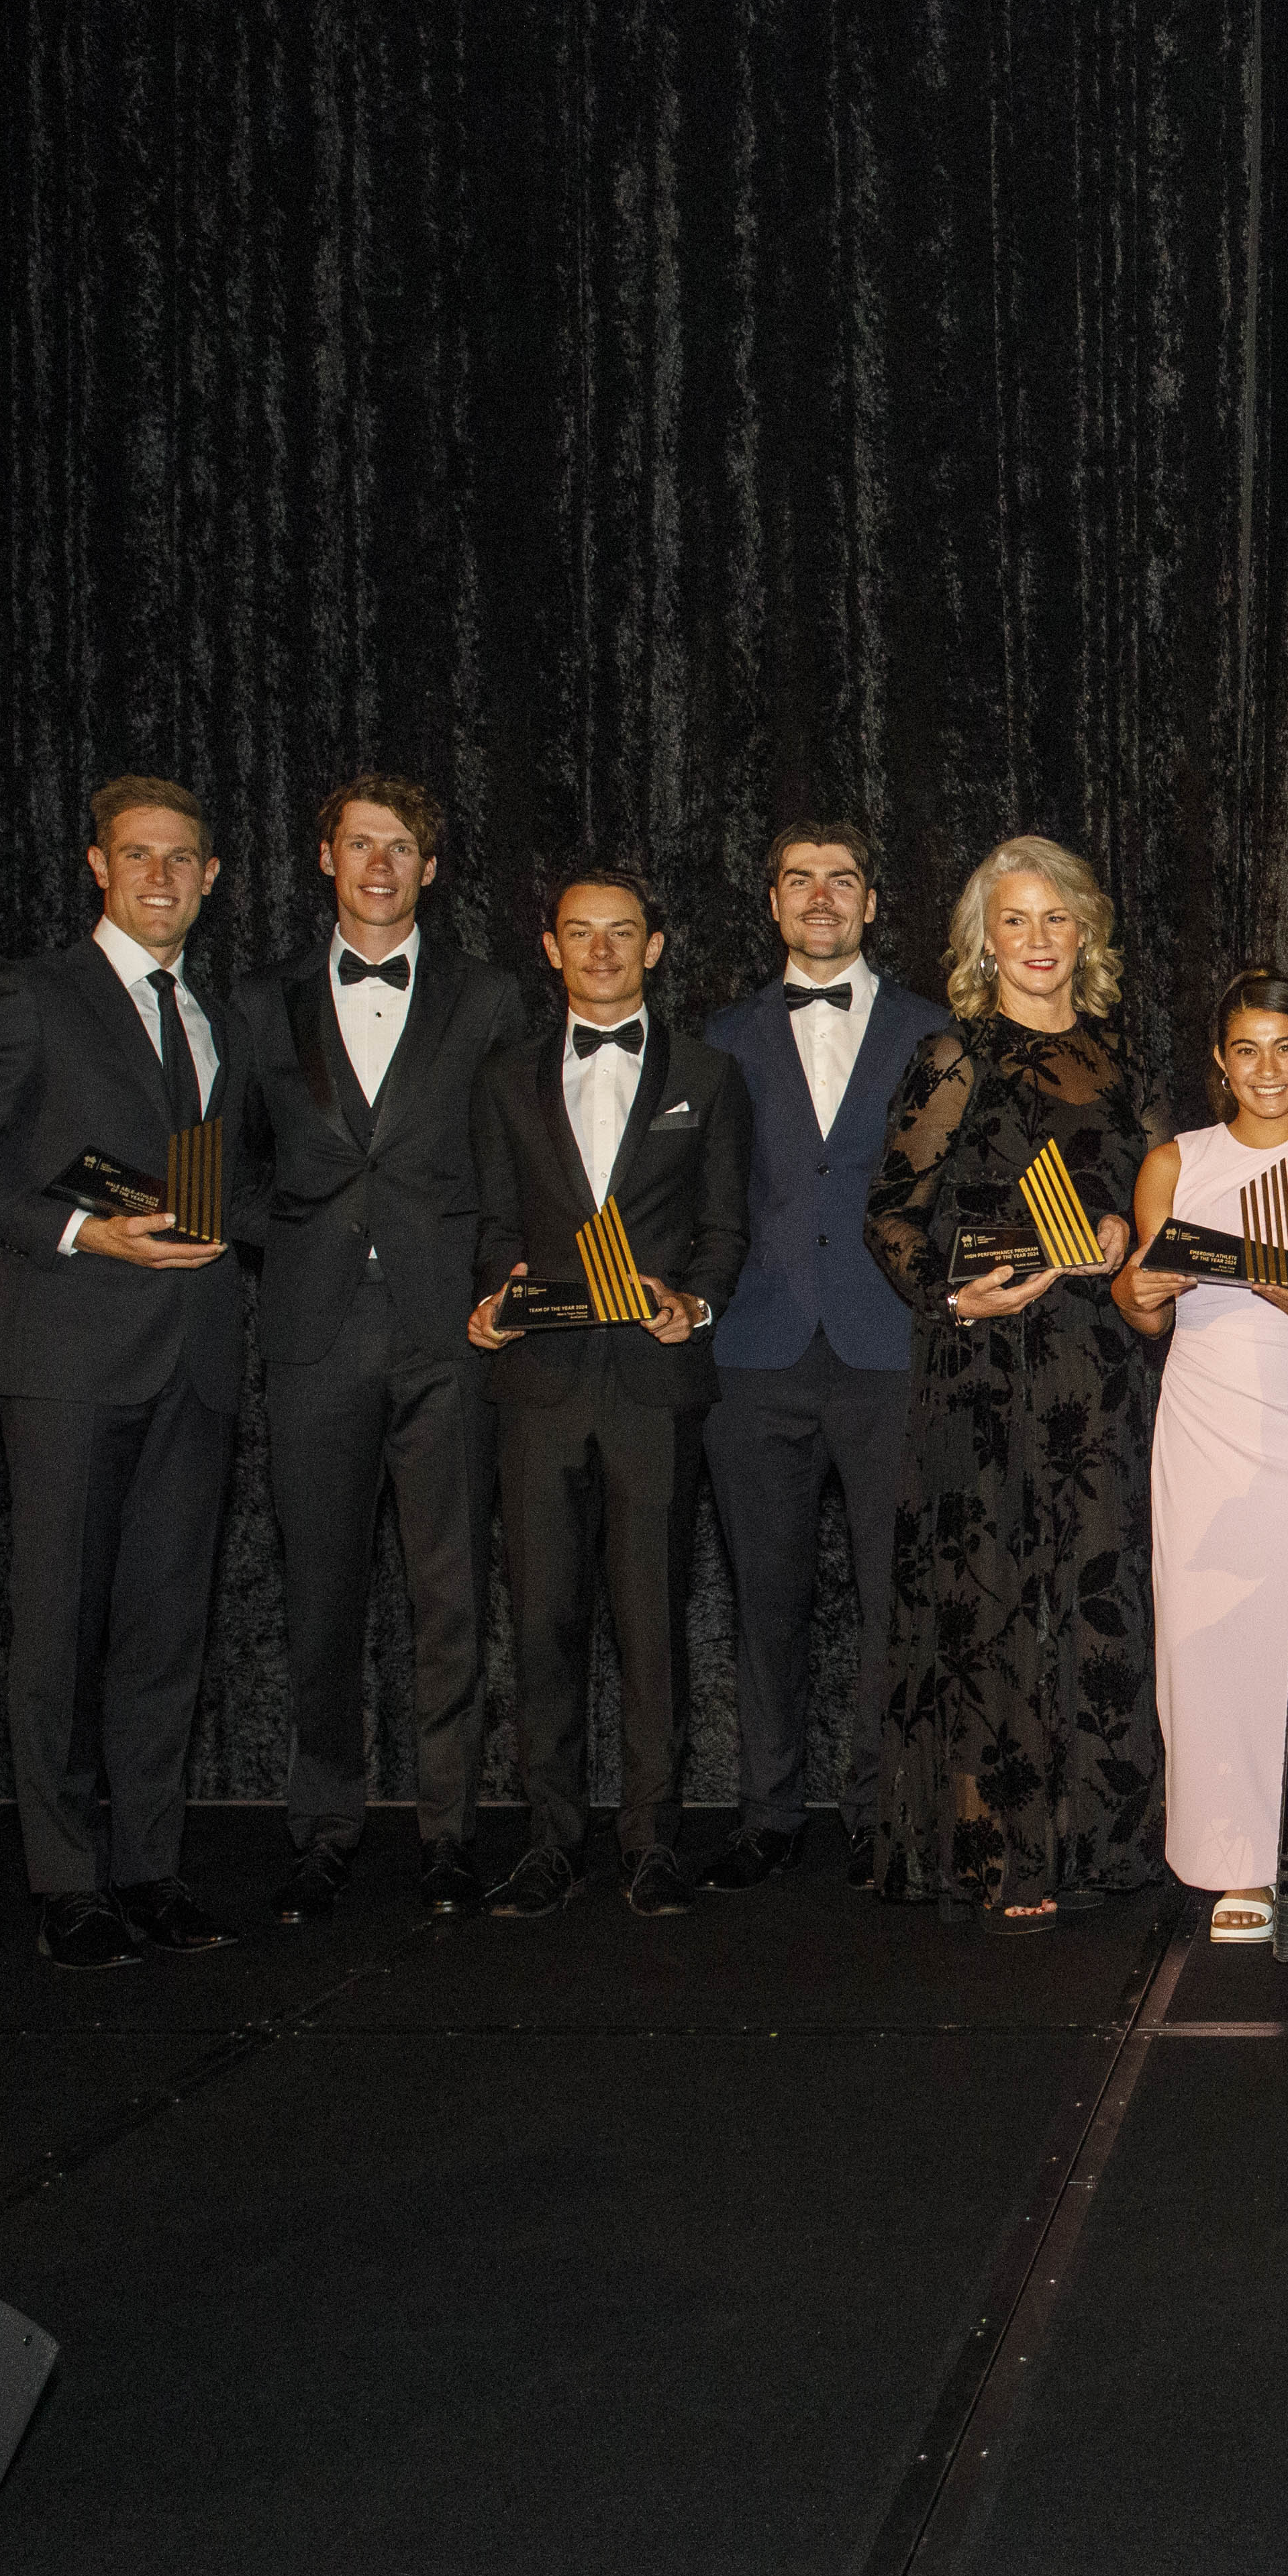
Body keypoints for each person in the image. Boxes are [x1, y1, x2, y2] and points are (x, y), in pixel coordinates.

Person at [0, 775, 251, 1971]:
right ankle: (66, 1884)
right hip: (65, 1356)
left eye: (183, 859)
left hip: (194, 1359)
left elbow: (215, 1183)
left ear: (213, 879)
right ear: (97, 867)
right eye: (138, 856)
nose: (160, 876)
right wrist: (77, 1231)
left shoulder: (214, 1016)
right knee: (56, 1631)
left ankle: (148, 1868)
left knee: (165, 1635)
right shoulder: (30, 997)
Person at [233, 773, 534, 1926]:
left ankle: (449, 1829)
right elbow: (228, 1166)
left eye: (400, 847)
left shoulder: (492, 997)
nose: (377, 865)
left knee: (451, 1595)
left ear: (431, 867)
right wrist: (299, 1235)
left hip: (445, 1335)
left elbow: (513, 1157)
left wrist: (495, 1272)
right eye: (358, 845)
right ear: (323, 859)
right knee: (321, 1593)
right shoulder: (262, 1001)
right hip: (312, 1333)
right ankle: (324, 1824)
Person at [869, 837, 1158, 1932]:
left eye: (1056, 921)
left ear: (1084, 934)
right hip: (984, 1374)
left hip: (1094, 1371)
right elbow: (888, 1216)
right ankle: (1004, 1851)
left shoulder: (1115, 1060)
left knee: (1092, 1592)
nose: (1038, 942)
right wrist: (951, 1293)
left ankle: (1102, 1840)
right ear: (983, 941)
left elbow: (1147, 1195)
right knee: (991, 1604)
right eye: (1016, 922)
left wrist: (1134, 1224)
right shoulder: (954, 1056)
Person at [466, 871, 752, 1918]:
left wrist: (697, 1304)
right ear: (550, 949)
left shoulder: (711, 1077)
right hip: (539, 1385)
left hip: (651, 1385)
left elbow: (725, 1233)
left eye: (620, 934)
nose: (600, 951)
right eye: (579, 935)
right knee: (541, 1623)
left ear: (656, 946)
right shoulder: (502, 1079)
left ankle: (652, 1839)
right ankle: (549, 1841)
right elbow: (496, 1226)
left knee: (651, 1624)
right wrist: (492, 1295)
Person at [697, 824, 951, 1894]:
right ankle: (767, 1811)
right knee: (769, 1596)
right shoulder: (716, 1039)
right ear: (771, 903)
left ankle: (876, 1808)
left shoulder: (936, 1033)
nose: (820, 897)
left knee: (897, 1601)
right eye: (799, 880)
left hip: (889, 1346)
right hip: (756, 1353)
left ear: (872, 903)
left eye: (841, 880)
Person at [1119, 971, 1288, 1940]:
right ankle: (1224, 1850)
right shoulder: (1174, 1161)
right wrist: (1149, 1282)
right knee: (1199, 1637)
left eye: (1287, 1048)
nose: (1266, 1069)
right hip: (1199, 1419)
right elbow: (1139, 1306)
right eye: (1246, 1050)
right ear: (1220, 1064)